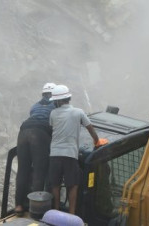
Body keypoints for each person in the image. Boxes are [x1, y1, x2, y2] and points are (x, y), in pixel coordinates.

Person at [48, 84, 105, 215]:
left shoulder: (53, 113)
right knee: (72, 184)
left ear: (57, 101)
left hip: (55, 153)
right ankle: (72, 213)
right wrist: (97, 142)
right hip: (70, 154)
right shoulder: (78, 112)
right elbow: (90, 128)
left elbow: (53, 130)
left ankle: (56, 210)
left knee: (55, 184)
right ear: (68, 98)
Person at [15, 83, 56, 213]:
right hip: (39, 133)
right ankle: (35, 208)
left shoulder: (35, 106)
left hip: (24, 131)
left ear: (43, 94)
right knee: (39, 171)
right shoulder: (56, 106)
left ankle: (19, 206)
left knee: (22, 170)